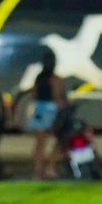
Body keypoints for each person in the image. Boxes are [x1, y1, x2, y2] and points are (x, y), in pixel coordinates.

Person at [26, 47, 66, 179]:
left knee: (40, 142)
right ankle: (50, 167)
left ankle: (37, 171)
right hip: (50, 110)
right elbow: (57, 97)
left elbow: (34, 94)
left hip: (38, 109)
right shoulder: (55, 79)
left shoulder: (39, 78)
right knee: (61, 139)